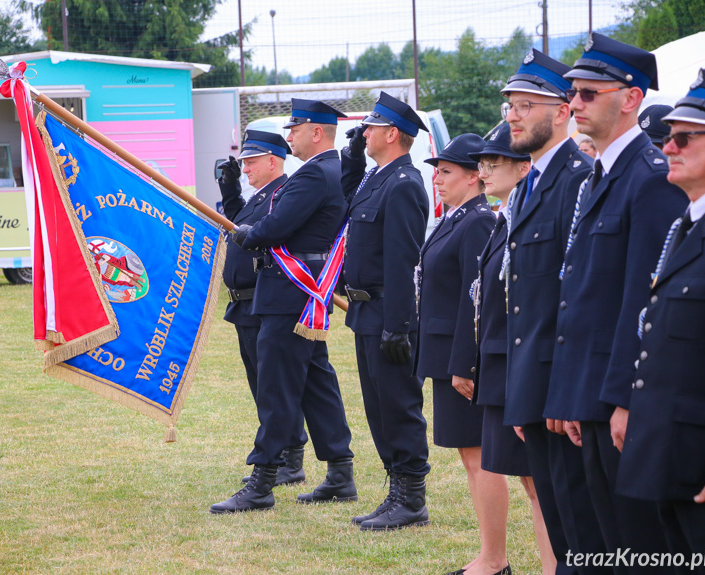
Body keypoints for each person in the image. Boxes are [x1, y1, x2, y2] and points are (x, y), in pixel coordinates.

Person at [545, 32, 687, 567]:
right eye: (573, 93)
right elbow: (580, 296)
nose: (575, 103)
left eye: (587, 93)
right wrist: (573, 394)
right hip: (592, 393)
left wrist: (625, 399)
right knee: (601, 543)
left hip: (618, 400)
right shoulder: (603, 173)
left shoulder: (648, 178)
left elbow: (642, 303)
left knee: (637, 546)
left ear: (630, 98)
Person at [211, 99, 355, 513]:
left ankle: (262, 482)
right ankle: (340, 472)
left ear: (316, 132)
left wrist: (246, 235)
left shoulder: (314, 173)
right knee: (315, 384)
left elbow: (274, 228)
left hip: (287, 295)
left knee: (276, 388)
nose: (288, 136)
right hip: (300, 296)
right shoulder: (329, 170)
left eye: (296, 128)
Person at [501, 48, 603, 575]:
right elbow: (524, 301)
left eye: (525, 105)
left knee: (583, 535)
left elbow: (576, 299)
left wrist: (563, 395)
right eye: (510, 106)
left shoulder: (579, 180)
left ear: (562, 111)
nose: (512, 115)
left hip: (563, 398)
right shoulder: (531, 184)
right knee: (563, 534)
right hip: (535, 391)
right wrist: (523, 397)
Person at [617, 67, 705, 574]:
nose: (669, 147)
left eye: (684, 137)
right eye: (668, 137)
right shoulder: (688, 221)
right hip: (667, 449)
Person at [339, 92, 430, 531]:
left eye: (371, 127)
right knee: (378, 409)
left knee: (398, 406)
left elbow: (402, 263)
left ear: (392, 134)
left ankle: (412, 498)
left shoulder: (405, 184)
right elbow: (345, 211)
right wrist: (353, 159)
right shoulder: (378, 178)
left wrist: (399, 326)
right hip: (365, 313)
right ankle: (396, 491)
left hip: (388, 315)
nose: (365, 132)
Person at [415, 134, 504, 575]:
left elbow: (477, 298)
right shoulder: (456, 218)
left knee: (480, 456)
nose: (437, 178)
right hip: (445, 353)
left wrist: (465, 363)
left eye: (446, 171)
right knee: (471, 457)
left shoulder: (477, 222)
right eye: (437, 170)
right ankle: (490, 555)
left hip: (462, 358)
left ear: (475, 177)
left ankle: (493, 559)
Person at [469, 123, 555, 575]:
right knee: (530, 481)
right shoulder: (506, 214)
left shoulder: (528, 215)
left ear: (523, 167)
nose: (483, 172)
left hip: (521, 362)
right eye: (481, 164)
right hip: (502, 362)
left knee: (541, 483)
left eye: (493, 163)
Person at [216, 130, 308, 488]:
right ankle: (283, 453)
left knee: (275, 385)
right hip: (245, 304)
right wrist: (231, 190)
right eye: (244, 163)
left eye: (251, 162)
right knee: (261, 384)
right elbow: (239, 224)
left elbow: (263, 233)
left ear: (274, 161)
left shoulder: (283, 195)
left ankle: (289, 456)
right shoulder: (260, 197)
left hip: (265, 299)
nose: (246, 168)